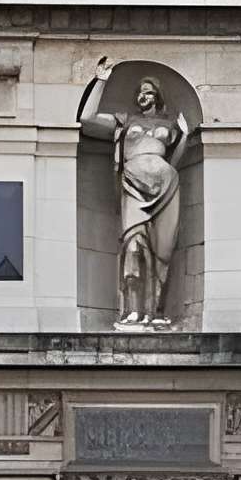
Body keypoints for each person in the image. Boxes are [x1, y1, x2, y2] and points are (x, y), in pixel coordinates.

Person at [79, 60, 190, 327]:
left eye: (149, 91)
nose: (143, 95)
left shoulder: (171, 123)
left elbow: (177, 157)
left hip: (166, 186)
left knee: (162, 250)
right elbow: (87, 119)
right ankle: (132, 310)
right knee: (133, 247)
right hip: (133, 184)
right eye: (140, 91)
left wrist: (185, 135)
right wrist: (101, 81)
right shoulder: (125, 120)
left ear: (157, 96)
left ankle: (156, 311)